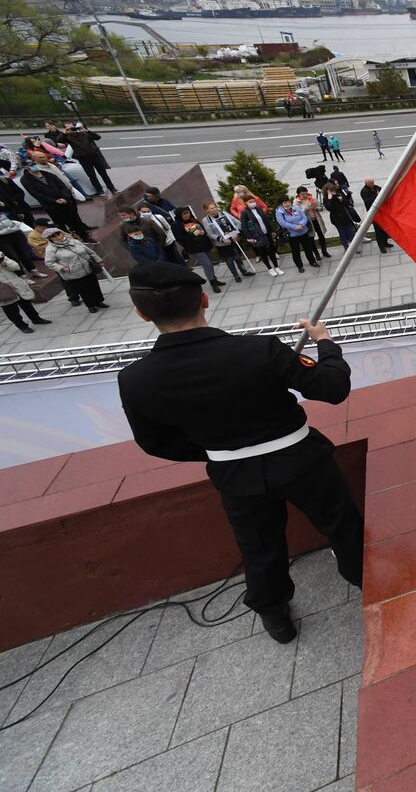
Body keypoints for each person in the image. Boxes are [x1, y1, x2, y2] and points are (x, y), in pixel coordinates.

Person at [117, 263, 364, 644]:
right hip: (301, 460)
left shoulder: (135, 378)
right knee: (342, 526)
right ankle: (367, 578)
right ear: (204, 299)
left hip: (234, 475)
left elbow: (155, 442)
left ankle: (275, 615)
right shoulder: (258, 350)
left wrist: (220, 449)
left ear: (141, 312)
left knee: (259, 546)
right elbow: (331, 387)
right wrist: (325, 344)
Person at [21, 162, 93, 242]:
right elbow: (37, 194)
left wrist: (65, 197)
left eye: (34, 164)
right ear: (27, 168)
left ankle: (85, 238)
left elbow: (61, 185)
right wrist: (54, 201)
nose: (35, 166)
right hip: (52, 206)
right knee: (60, 225)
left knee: (75, 221)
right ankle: (67, 241)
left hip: (65, 202)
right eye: (32, 166)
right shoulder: (26, 180)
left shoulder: (47, 174)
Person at [43, 228, 107, 312]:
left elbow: (89, 252)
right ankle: (91, 306)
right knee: (84, 290)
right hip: (74, 273)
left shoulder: (74, 241)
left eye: (58, 234)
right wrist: (61, 268)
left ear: (62, 233)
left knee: (94, 286)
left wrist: (99, 261)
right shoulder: (51, 249)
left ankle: (99, 301)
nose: (58, 237)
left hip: (88, 268)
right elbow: (49, 262)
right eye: (54, 237)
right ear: (50, 239)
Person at [174, 207, 229, 292]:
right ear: (179, 215)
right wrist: (192, 235)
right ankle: (213, 283)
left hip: (204, 245)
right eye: (184, 214)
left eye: (188, 213)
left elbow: (202, 229)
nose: (187, 215)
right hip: (194, 248)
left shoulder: (193, 219)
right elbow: (179, 238)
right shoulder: (176, 225)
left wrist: (203, 232)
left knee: (210, 263)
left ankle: (214, 279)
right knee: (206, 264)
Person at [202, 201, 256, 282]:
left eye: (215, 207)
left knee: (238, 257)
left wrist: (236, 233)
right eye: (211, 208)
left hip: (233, 240)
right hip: (222, 244)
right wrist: (221, 239)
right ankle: (236, 275)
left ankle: (244, 271)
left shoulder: (224, 214)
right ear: (206, 210)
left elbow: (237, 223)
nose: (214, 209)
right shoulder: (206, 220)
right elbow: (209, 233)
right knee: (229, 260)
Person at [58, 123, 118, 196]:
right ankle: (99, 190)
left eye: (72, 127)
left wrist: (87, 131)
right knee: (92, 176)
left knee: (103, 173)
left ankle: (112, 188)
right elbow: (59, 140)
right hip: (83, 158)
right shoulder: (67, 137)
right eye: (68, 128)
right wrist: (65, 133)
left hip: (94, 156)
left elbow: (98, 137)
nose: (72, 129)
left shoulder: (84, 133)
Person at [0, 254, 51, 333]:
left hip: (15, 284)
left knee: (26, 304)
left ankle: (36, 319)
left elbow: (16, 266)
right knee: (11, 310)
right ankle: (22, 326)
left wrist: (5, 264)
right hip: (2, 290)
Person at [275, 195, 320, 273]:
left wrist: (302, 224)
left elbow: (304, 217)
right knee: (296, 251)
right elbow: (283, 223)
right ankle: (299, 266)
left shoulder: (296, 207)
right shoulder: (279, 212)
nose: (288, 204)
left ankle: (312, 261)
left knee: (308, 248)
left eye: (288, 202)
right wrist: (295, 227)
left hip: (303, 231)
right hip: (292, 235)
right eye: (285, 203)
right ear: (281, 204)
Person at [239, 197, 283, 276]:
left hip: (266, 233)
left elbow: (266, 220)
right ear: (245, 203)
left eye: (253, 201)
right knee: (263, 252)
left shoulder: (258, 209)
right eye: (250, 202)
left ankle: (276, 267)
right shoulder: (244, 212)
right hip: (257, 235)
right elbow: (244, 226)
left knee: (271, 251)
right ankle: (269, 268)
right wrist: (249, 237)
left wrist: (272, 231)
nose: (253, 203)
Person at [323, 180, 361, 253]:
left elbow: (347, 203)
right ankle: (346, 247)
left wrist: (342, 200)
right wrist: (330, 199)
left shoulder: (338, 194)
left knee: (351, 232)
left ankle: (355, 246)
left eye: (334, 190)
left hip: (346, 217)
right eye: (331, 191)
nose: (334, 192)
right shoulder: (326, 199)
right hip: (337, 219)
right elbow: (329, 208)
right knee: (342, 233)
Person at [359, 178, 393, 253]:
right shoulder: (364, 191)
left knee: (385, 228)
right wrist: (378, 196)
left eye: (373, 182)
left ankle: (385, 242)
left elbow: (384, 192)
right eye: (370, 183)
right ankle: (381, 246)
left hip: (382, 211)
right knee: (378, 231)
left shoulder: (376, 187)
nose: (372, 184)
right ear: (366, 183)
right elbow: (369, 202)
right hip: (374, 213)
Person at [295, 186, 330, 256]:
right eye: (302, 194)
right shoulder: (296, 202)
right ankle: (316, 254)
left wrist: (316, 208)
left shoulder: (312, 198)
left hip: (316, 220)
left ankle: (324, 251)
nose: (305, 195)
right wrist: (305, 210)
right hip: (308, 223)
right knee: (311, 238)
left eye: (306, 193)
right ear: (299, 194)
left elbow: (321, 208)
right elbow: (297, 214)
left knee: (321, 236)